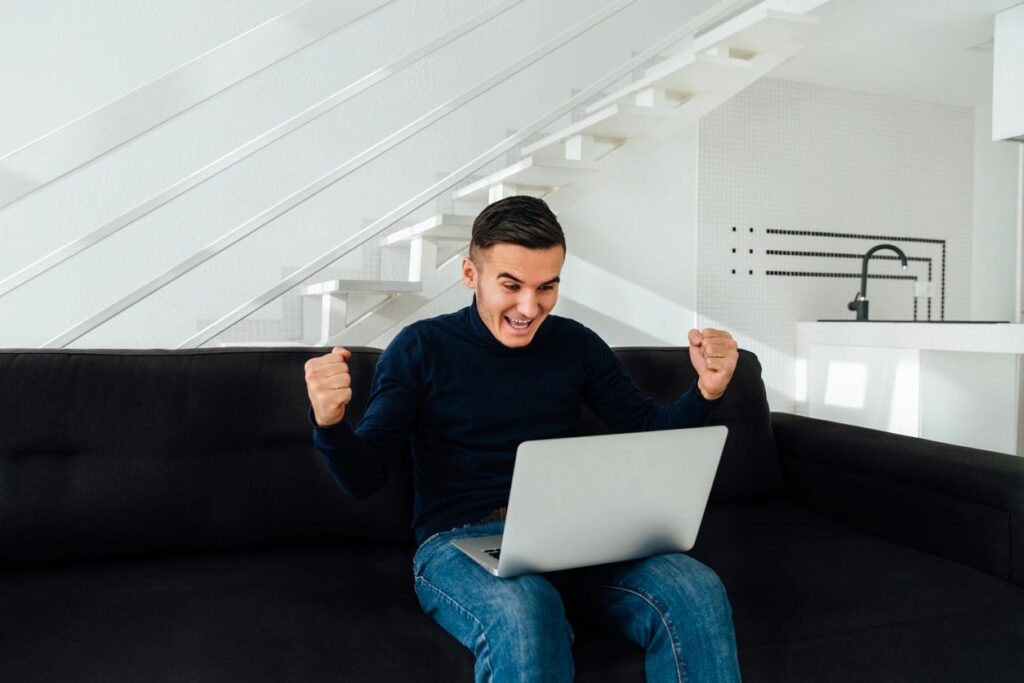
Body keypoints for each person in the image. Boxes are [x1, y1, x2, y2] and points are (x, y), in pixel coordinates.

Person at [304, 195, 741, 682]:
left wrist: (707, 391)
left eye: (547, 287)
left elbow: (651, 433)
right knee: (525, 609)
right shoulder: (421, 348)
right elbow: (363, 478)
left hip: (572, 537)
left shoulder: (575, 344)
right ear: (471, 275)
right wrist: (330, 423)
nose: (529, 308)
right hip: (459, 543)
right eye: (511, 285)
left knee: (695, 589)